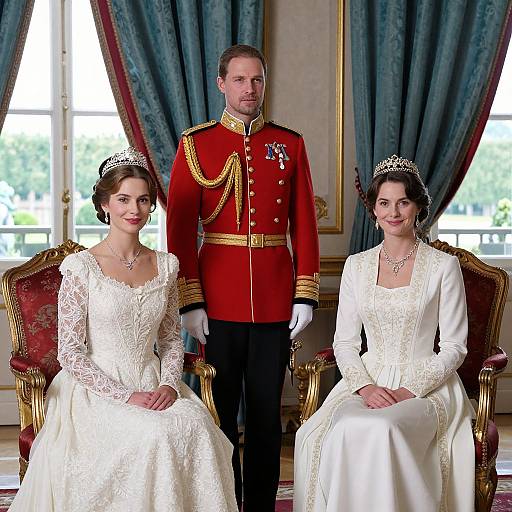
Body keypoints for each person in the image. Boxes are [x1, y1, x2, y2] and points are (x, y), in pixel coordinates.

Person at [10, 147, 237, 512]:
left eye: (144, 200)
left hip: (153, 380)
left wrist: (166, 383)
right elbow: (69, 351)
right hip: (94, 390)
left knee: (197, 429)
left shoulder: (165, 265)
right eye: (124, 199)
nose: (135, 209)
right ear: (104, 206)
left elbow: (168, 338)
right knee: (155, 436)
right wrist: (124, 396)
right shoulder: (81, 268)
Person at [167, 44, 320, 511]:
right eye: (239, 79)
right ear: (221, 83)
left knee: (266, 417)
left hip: (276, 298)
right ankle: (222, 501)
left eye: (256, 80)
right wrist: (190, 301)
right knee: (217, 415)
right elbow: (177, 228)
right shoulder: (196, 144)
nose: (249, 88)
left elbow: (305, 224)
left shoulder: (289, 143)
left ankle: (260, 505)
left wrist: (305, 292)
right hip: (216, 300)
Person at [294, 154, 475, 512]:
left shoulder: (444, 267)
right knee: (335, 430)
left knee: (385, 429)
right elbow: (345, 342)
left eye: (403, 202)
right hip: (367, 380)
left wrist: (409, 389)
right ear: (374, 211)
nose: (394, 212)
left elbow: (454, 347)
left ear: (418, 207)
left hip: (425, 386)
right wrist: (366, 387)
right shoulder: (356, 266)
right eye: (384, 203)